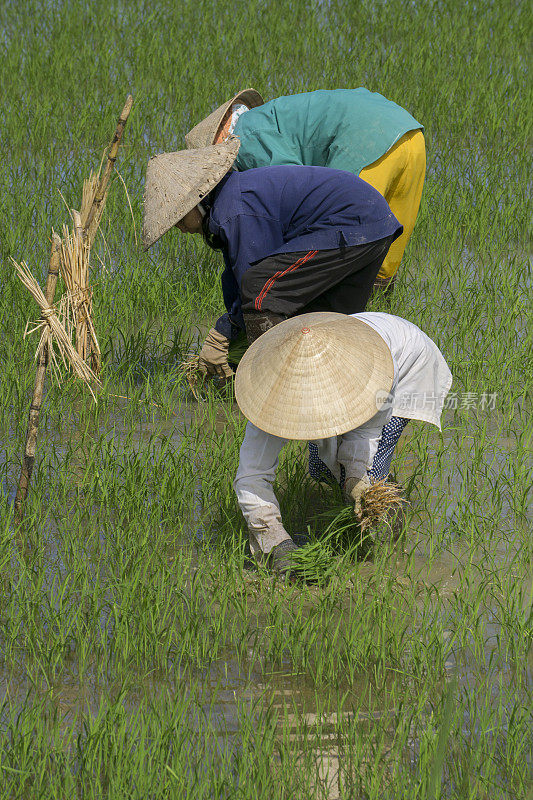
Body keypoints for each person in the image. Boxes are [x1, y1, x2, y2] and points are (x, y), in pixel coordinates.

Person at [142, 140, 402, 379]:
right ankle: (339, 395)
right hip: (374, 224)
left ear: (194, 202)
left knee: (261, 293)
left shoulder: (234, 210)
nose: (180, 228)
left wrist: (222, 333)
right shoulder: (231, 198)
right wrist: (228, 330)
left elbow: (253, 284)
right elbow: (236, 275)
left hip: (349, 224)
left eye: (177, 219)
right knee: (328, 324)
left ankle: (274, 385)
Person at [232, 312, 452, 573]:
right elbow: (250, 476)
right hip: (355, 354)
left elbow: (365, 433)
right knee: (321, 467)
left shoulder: (374, 377)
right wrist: (275, 540)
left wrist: (359, 483)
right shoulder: (268, 399)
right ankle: (350, 511)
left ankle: (381, 528)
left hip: (404, 363)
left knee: (373, 470)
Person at [185, 88, 425, 293]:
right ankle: (384, 313)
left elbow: (291, 189)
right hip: (409, 134)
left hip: (364, 144)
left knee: (343, 246)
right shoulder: (267, 118)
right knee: (386, 254)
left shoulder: (244, 138)